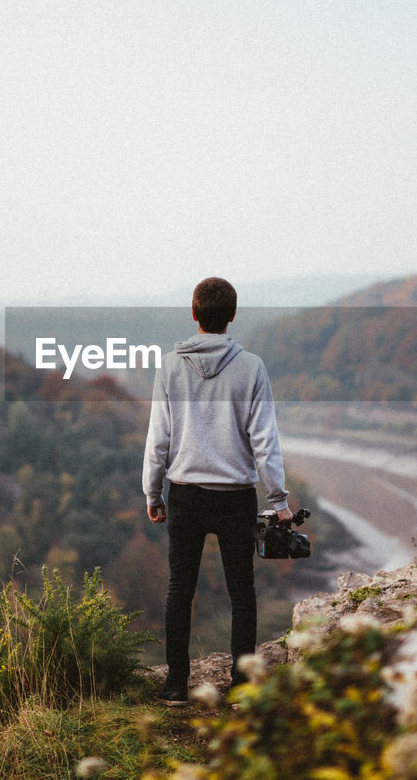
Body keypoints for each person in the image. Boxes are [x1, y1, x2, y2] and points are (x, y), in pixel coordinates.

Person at [143, 276, 293, 707]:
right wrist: (278, 500)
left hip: (185, 494)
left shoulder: (170, 368)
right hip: (235, 497)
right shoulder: (252, 368)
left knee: (179, 589)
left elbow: (159, 440)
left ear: (194, 315)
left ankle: (175, 685)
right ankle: (242, 684)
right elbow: (265, 439)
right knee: (241, 592)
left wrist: (154, 495)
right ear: (231, 317)